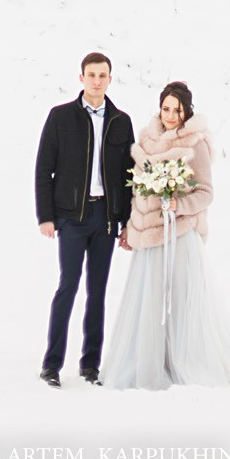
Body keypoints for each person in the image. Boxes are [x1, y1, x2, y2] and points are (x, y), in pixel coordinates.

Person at [102, 80, 230, 390]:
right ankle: (148, 364)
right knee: (149, 300)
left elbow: (206, 193)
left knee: (181, 299)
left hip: (180, 235)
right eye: (166, 108)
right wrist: (131, 225)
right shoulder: (146, 140)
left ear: (186, 112)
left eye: (177, 110)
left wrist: (177, 204)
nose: (170, 115)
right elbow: (138, 192)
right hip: (149, 236)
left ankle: (187, 362)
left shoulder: (195, 143)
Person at [35, 51, 135, 387]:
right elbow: (43, 169)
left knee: (98, 291)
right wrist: (46, 217)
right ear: (81, 78)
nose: (96, 81)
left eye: (102, 75)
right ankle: (51, 365)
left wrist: (126, 224)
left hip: (105, 219)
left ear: (110, 79)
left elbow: (129, 176)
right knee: (68, 286)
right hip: (71, 219)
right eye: (91, 75)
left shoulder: (121, 121)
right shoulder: (60, 117)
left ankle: (90, 365)